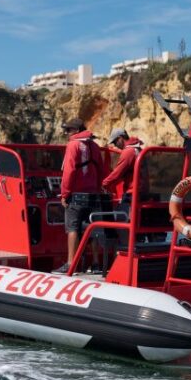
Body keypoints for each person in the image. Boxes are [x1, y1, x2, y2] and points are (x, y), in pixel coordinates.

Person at [56, 117, 108, 273]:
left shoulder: (73, 145)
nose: (66, 133)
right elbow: (101, 170)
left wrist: (65, 194)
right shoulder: (94, 146)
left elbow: (69, 171)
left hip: (77, 195)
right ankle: (96, 263)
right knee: (91, 227)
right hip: (93, 194)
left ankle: (71, 263)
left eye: (68, 130)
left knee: (72, 227)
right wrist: (98, 188)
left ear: (76, 131)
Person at [102, 129, 146, 219]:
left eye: (115, 142)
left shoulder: (128, 152)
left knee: (122, 218)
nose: (115, 146)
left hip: (132, 193)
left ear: (120, 139)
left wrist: (104, 184)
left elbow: (117, 173)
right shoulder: (138, 149)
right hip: (142, 190)